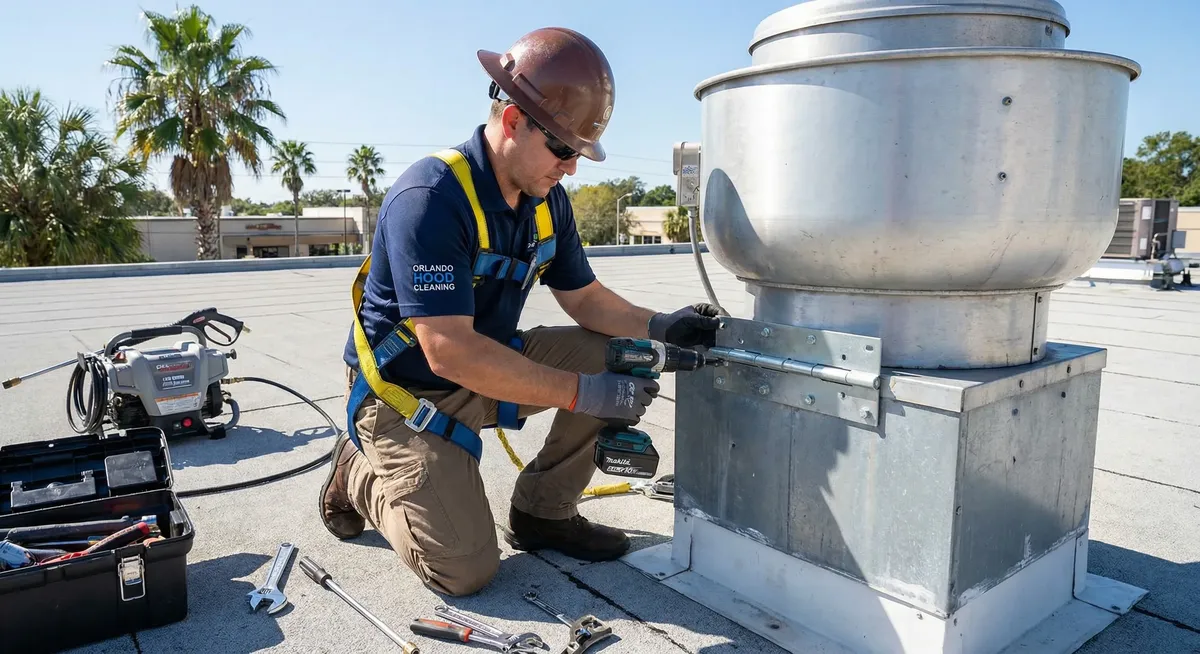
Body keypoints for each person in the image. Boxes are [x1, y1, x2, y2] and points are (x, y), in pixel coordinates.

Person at [319, 26, 721, 597]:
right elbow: (448, 349)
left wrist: (660, 327)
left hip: (485, 371)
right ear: (512, 122)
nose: (572, 167)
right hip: (406, 397)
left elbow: (585, 299)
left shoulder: (546, 200)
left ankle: (543, 513)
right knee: (464, 572)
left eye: (579, 152)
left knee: (619, 355)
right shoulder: (432, 199)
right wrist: (584, 394)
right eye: (563, 148)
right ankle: (359, 474)